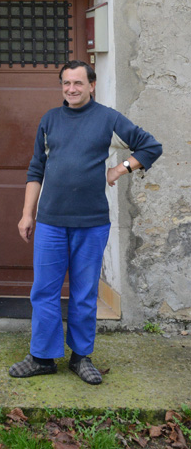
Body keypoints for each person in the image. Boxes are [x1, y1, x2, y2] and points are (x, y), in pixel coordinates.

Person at [9, 60, 162, 385]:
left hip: (91, 223)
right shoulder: (50, 120)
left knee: (83, 292)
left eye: (78, 83)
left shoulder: (107, 118)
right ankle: (42, 357)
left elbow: (150, 146)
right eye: (66, 83)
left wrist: (119, 169)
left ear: (92, 85)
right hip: (50, 221)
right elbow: (36, 168)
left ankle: (81, 357)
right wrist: (27, 213)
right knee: (44, 291)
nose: (71, 89)